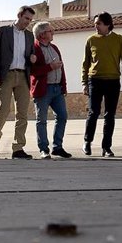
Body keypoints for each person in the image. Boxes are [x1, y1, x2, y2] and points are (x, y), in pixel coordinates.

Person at [81, 11, 122, 157]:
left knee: (110, 115)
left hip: (112, 81)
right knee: (93, 112)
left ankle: (106, 147)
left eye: (98, 23)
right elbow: (86, 63)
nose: (95, 26)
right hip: (95, 80)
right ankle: (87, 141)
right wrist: (84, 82)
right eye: (95, 24)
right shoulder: (91, 40)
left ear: (108, 24)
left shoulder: (119, 40)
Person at [0, 5, 37, 159]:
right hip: (6, 75)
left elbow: (31, 56)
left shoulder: (30, 36)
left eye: (30, 20)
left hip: (23, 76)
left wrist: (32, 59)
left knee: (22, 114)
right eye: (26, 18)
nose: (28, 22)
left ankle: (18, 148)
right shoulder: (3, 31)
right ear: (19, 15)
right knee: (3, 110)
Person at [30, 22, 71, 159]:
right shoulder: (34, 49)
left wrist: (63, 86)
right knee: (41, 120)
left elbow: (62, 68)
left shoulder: (54, 48)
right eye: (50, 31)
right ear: (42, 35)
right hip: (43, 89)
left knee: (62, 116)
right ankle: (43, 149)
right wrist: (50, 67)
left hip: (57, 89)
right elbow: (33, 71)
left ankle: (57, 147)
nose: (53, 33)